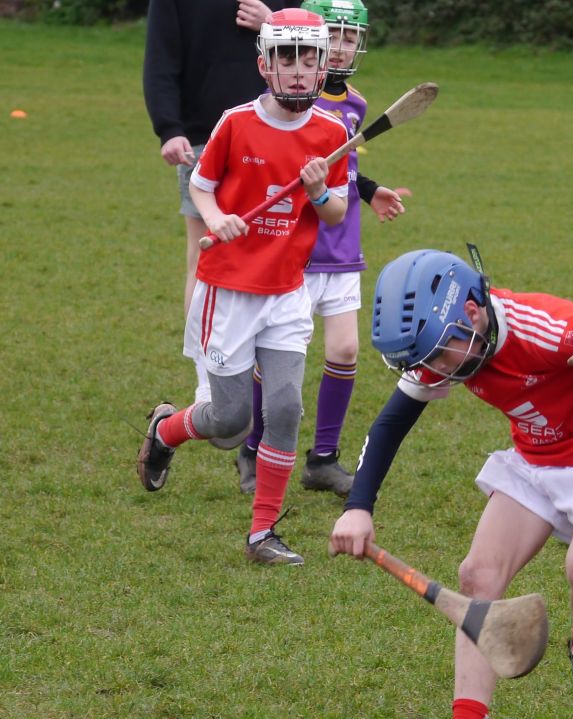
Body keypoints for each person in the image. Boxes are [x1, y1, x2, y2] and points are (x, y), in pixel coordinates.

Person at [329, 249, 573, 719]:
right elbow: (389, 424)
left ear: (473, 313)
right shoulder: (445, 344)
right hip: (534, 460)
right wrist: (358, 506)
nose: (432, 372)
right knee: (478, 574)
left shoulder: (552, 330)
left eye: (437, 356)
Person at [136, 9, 351, 566]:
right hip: (227, 291)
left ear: (323, 66)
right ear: (264, 64)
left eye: (309, 59)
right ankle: (166, 431)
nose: (299, 71)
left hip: (286, 293)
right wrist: (215, 219)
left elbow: (335, 214)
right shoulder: (235, 123)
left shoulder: (331, 134)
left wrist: (320, 190)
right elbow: (202, 187)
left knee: (284, 409)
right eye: (286, 59)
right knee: (230, 422)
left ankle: (262, 534)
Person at [236, 0, 410, 498]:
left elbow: (343, 169)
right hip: (296, 252)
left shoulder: (355, 103)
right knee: (275, 358)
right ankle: (253, 446)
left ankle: (323, 459)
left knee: (345, 350)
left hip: (343, 249)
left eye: (350, 37)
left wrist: (371, 190)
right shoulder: (287, 101)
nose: (340, 47)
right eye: (331, 37)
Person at [143, 0, 287, 419]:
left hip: (276, 137)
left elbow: (313, 46)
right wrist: (169, 129)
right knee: (204, 256)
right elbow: (160, 60)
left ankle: (264, 369)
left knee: (271, 251)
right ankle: (208, 378)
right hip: (206, 141)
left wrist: (272, 23)